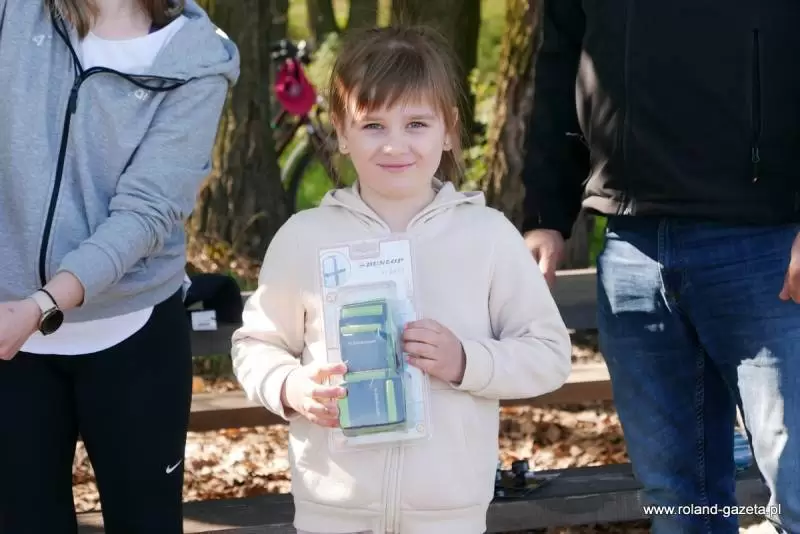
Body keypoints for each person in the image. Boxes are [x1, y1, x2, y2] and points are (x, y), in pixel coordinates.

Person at [230, 25, 573, 534]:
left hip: (449, 517)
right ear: (340, 132)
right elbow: (256, 344)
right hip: (333, 515)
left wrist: (466, 361)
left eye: (416, 123)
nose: (395, 145)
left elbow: (549, 354)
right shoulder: (304, 237)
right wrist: (289, 386)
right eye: (373, 125)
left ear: (449, 129)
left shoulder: (488, 236)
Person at [520, 2, 800, 533]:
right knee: (680, 503)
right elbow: (562, 66)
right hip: (633, 254)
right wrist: (545, 215)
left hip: (769, 248)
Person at [0, 0, 239, 532]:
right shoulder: (16, 13)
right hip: (13, 350)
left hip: (133, 337)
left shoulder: (197, 58)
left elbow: (146, 212)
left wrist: (40, 305)